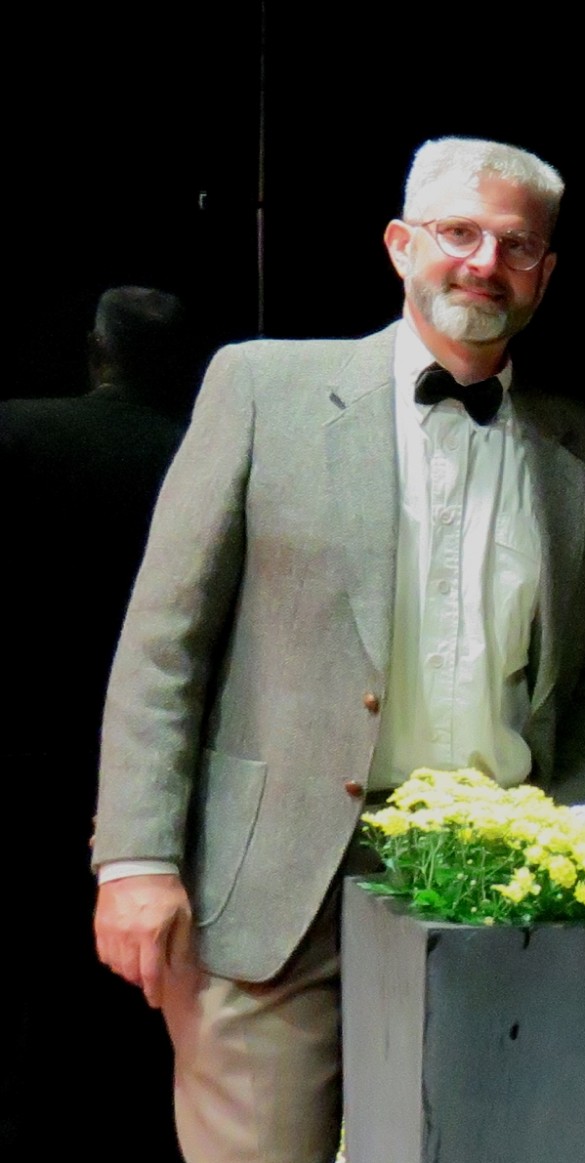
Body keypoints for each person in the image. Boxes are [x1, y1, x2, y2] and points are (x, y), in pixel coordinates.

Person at [90, 137, 585, 1163]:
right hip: (273, 880)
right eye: (458, 232)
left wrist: (579, 853)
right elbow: (164, 643)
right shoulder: (263, 389)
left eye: (516, 245)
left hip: (491, 885)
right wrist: (135, 858)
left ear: (546, 272)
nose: (484, 263)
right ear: (399, 245)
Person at [3, 286, 202, 1161]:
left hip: (20, 747)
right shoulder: (197, 450)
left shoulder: (17, 429)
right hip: (155, 773)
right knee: (132, 1002)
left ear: (95, 350)